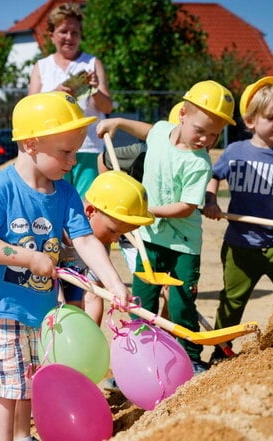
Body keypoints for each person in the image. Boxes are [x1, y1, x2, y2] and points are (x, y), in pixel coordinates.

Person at [0, 91, 131, 441]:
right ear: (30, 144)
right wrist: (28, 257)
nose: (73, 161)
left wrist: (115, 284)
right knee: (8, 388)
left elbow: (85, 241)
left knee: (29, 377)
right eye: (65, 152)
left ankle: (23, 435)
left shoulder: (66, 193)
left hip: (39, 307)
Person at [96, 80, 237, 375]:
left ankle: (191, 359)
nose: (205, 140)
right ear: (183, 114)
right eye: (201, 130)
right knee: (143, 300)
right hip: (150, 238)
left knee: (182, 302)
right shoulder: (162, 133)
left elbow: (185, 208)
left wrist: (145, 211)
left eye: (214, 135)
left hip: (184, 245)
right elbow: (149, 130)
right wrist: (118, 122)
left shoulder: (199, 164)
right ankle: (138, 356)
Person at [202, 76, 273, 363]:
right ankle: (221, 352)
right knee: (231, 302)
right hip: (240, 243)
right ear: (251, 121)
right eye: (271, 117)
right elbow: (213, 177)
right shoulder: (234, 152)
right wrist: (211, 201)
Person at [28, 2, 112, 201]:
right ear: (51, 34)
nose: (69, 37)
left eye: (75, 32)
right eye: (63, 31)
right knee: (54, 201)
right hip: (51, 150)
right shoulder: (42, 66)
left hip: (88, 147)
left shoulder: (92, 63)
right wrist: (55, 93)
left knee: (86, 204)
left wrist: (93, 89)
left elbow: (107, 107)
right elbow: (30, 108)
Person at [58, 170, 154, 325]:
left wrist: (90, 336)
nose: (115, 239)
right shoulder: (55, 230)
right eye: (112, 231)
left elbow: (93, 296)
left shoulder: (101, 242)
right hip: (37, 296)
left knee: (75, 307)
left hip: (72, 292)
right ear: (90, 212)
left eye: (122, 234)